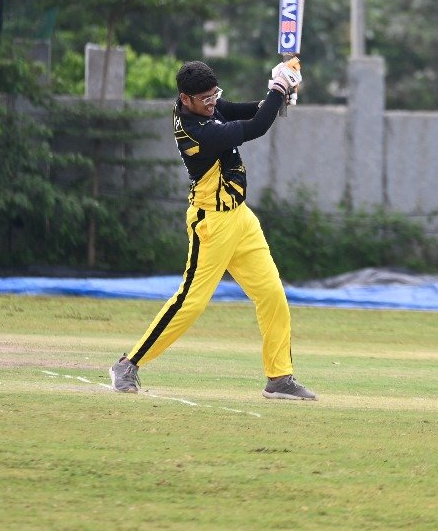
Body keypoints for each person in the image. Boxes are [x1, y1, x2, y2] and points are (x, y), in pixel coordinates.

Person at [109, 59, 316, 401]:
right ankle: (127, 364)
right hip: (212, 223)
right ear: (185, 98)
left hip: (241, 218)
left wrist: (277, 98)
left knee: (272, 295)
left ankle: (279, 378)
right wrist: (278, 89)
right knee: (190, 302)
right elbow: (255, 127)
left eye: (213, 95)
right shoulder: (197, 132)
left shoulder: (202, 105)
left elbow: (240, 110)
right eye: (205, 99)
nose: (212, 102)